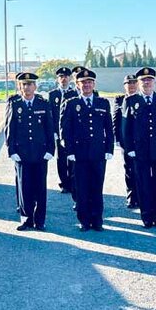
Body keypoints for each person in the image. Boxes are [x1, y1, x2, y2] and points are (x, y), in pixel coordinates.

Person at [122, 67, 156, 229]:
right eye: (143, 80)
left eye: (149, 80)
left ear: (154, 82)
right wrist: (129, 148)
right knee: (143, 183)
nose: (146, 83)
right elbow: (126, 128)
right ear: (138, 83)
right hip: (140, 150)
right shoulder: (131, 101)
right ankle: (146, 217)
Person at [60, 68, 113, 232]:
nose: (87, 85)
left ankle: (97, 220)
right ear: (77, 85)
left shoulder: (102, 103)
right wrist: (69, 151)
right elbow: (65, 129)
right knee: (82, 188)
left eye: (89, 82)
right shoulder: (71, 104)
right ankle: (84, 220)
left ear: (94, 84)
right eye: (83, 82)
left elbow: (108, 129)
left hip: (98, 153)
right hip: (79, 154)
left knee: (97, 187)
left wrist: (109, 148)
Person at [6, 72, 56, 231]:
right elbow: (10, 129)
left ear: (35, 86)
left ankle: (40, 220)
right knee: (24, 188)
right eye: (23, 84)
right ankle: (26, 219)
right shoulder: (15, 105)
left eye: (30, 84)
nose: (27, 87)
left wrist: (50, 149)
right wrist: (11, 150)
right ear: (20, 87)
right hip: (22, 154)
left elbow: (50, 129)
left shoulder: (43, 104)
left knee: (40, 188)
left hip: (40, 154)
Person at [113, 74, 140, 209]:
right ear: (124, 86)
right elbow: (115, 120)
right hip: (126, 141)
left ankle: (141, 196)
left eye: (134, 83)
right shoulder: (119, 100)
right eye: (129, 83)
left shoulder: (142, 99)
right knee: (129, 169)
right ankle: (131, 196)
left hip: (141, 141)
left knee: (141, 170)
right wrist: (117, 139)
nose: (131, 85)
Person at [49, 67, 77, 194]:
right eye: (61, 77)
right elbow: (50, 115)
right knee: (61, 158)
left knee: (72, 156)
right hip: (57, 133)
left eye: (66, 76)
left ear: (70, 78)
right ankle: (64, 183)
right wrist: (54, 132)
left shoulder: (74, 93)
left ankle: (72, 181)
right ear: (57, 79)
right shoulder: (52, 94)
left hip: (71, 132)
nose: (63, 79)